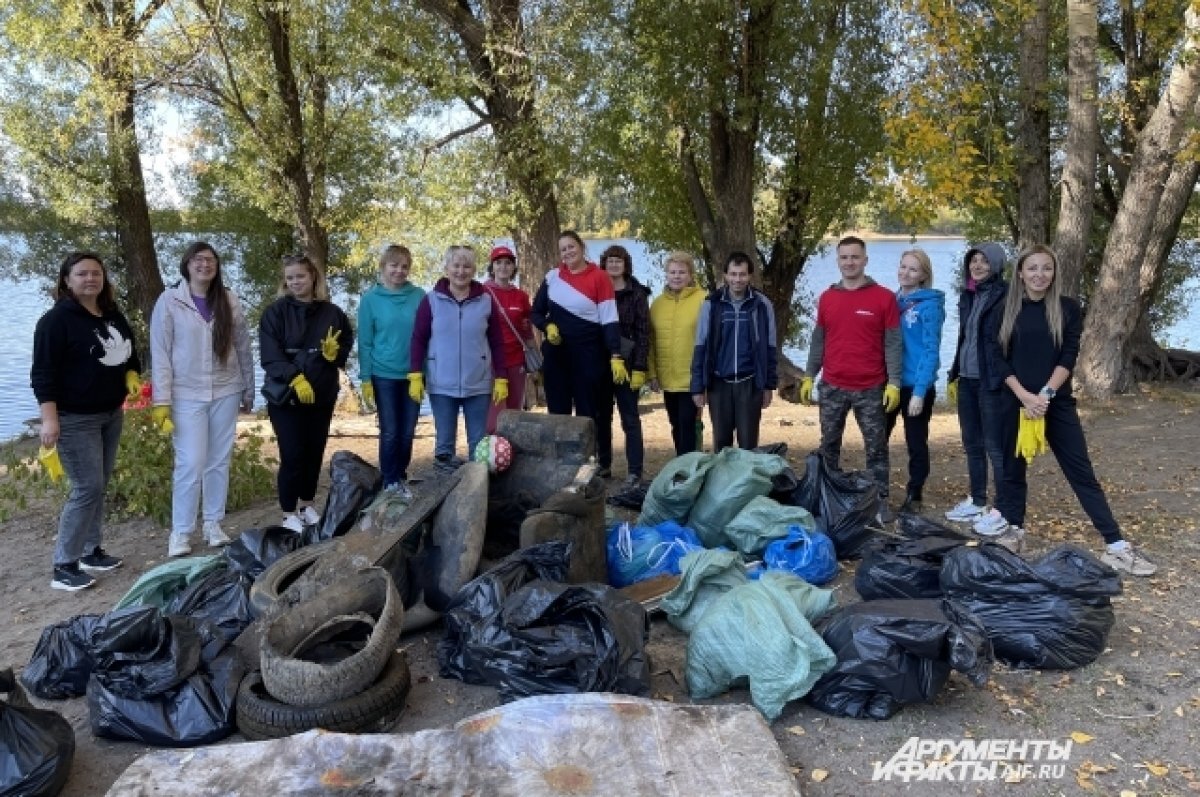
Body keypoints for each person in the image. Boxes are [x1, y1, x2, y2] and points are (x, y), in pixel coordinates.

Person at [986, 245, 1156, 575]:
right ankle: (1015, 534)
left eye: (1046, 268)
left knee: (1081, 473)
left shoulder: (1067, 309)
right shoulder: (1003, 309)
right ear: (1020, 272)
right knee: (1012, 472)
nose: (1039, 275)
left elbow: (1068, 356)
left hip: (1056, 403)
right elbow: (996, 358)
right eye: (1032, 268)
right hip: (1014, 403)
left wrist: (1045, 396)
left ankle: (1116, 545)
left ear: (1054, 273)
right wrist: (1025, 396)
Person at [31, 252, 142, 591]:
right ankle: (64, 565)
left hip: (111, 412)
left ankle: (90, 551)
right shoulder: (56, 321)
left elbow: (131, 355)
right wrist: (49, 420)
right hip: (75, 418)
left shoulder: (111, 314)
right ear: (67, 280)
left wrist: (133, 378)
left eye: (96, 273)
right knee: (86, 487)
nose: (90, 279)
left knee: (99, 484)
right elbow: (43, 374)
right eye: (82, 274)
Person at [151, 241, 255, 557]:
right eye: (197, 260)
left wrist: (248, 388)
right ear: (186, 265)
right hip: (186, 394)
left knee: (218, 461)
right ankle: (181, 532)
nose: (204, 265)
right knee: (190, 462)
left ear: (217, 266)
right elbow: (160, 352)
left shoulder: (229, 300)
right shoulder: (170, 301)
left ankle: (213, 524)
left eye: (209, 260)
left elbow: (243, 347)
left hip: (226, 389)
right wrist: (161, 400)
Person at [800, 236, 901, 517]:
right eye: (844, 257)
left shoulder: (883, 298)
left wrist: (894, 382)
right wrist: (809, 375)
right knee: (828, 446)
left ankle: (879, 503)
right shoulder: (828, 298)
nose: (849, 262)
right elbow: (818, 341)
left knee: (876, 450)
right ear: (838, 261)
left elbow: (893, 343)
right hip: (833, 385)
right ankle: (827, 499)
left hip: (871, 387)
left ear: (865, 260)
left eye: (855, 257)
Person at [259, 254, 354, 532]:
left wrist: (335, 354)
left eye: (300, 276)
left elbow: (345, 342)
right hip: (287, 397)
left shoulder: (332, 312)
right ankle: (288, 511)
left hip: (321, 394)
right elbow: (270, 356)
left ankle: (307, 505)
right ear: (285, 282)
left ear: (313, 277)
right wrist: (294, 377)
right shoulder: (275, 313)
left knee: (314, 452)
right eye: (290, 278)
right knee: (292, 454)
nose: (295, 282)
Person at [531, 231, 626, 465]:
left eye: (571, 246)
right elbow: (535, 312)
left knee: (589, 412)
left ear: (581, 247)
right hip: (557, 356)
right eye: (563, 249)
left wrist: (615, 354)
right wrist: (547, 325)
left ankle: (592, 463)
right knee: (558, 411)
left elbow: (609, 318)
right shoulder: (553, 277)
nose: (568, 252)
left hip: (589, 354)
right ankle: (561, 463)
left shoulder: (600, 277)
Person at [409, 245, 507, 468]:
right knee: (444, 446)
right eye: (456, 265)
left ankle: (476, 492)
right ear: (446, 268)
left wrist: (501, 376)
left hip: (478, 383)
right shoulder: (431, 300)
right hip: (441, 382)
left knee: (478, 445)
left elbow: (497, 342)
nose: (461, 271)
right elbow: (418, 339)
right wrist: (415, 374)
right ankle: (444, 492)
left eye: (467, 266)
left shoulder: (485, 300)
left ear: (474, 270)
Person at [943, 243, 1010, 533]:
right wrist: (954, 372)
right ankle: (978, 499)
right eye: (974, 261)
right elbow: (965, 337)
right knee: (972, 443)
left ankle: (1003, 506)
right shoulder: (968, 295)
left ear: (995, 264)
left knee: (995, 446)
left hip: (991, 380)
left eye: (984, 261)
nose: (978, 266)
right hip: (967, 378)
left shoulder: (1006, 295)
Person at [690, 252, 778, 451]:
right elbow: (700, 347)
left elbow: (770, 348)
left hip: (750, 383)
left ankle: (746, 482)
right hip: (719, 383)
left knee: (748, 443)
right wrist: (697, 387)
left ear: (750, 276)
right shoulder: (711, 304)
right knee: (721, 442)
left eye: (742, 274)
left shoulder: (762, 305)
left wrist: (768, 385)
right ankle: (723, 481)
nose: (737, 279)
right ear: (725, 276)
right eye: (733, 274)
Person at [358, 244, 425, 501]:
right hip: (383, 374)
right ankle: (390, 481)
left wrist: (423, 372)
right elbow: (364, 342)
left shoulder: (419, 296)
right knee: (390, 430)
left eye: (404, 266)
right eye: (394, 265)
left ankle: (400, 474)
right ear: (383, 267)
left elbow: (426, 336)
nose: (399, 271)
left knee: (408, 431)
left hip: (413, 375)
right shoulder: (370, 300)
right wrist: (365, 378)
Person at [883, 248, 945, 513]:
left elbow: (931, 350)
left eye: (913, 269)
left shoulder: (929, 307)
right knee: (878, 437)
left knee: (915, 440)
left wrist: (920, 391)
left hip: (916, 385)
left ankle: (914, 492)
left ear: (923, 276)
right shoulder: (892, 301)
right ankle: (877, 488)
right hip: (891, 383)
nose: (905, 273)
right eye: (903, 266)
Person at [597, 244, 651, 486]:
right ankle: (604, 464)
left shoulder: (636, 293)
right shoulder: (597, 289)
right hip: (601, 362)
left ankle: (635, 471)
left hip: (628, 364)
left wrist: (640, 367)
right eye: (610, 260)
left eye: (619, 260)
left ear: (626, 264)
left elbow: (643, 332)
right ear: (604, 264)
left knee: (629, 418)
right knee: (601, 416)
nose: (614, 265)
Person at [649, 250, 707, 455]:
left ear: (690, 275)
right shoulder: (657, 305)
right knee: (675, 425)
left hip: (691, 379)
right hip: (667, 378)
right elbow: (651, 343)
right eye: (672, 272)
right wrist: (652, 374)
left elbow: (710, 342)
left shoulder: (704, 300)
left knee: (688, 425)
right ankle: (682, 465)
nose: (676, 276)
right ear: (666, 274)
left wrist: (705, 379)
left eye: (681, 272)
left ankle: (689, 467)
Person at [482, 245, 533, 434]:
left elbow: (526, 329)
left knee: (513, 411)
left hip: (516, 360)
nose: (503, 267)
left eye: (508, 263)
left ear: (513, 268)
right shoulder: (482, 292)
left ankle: (511, 453)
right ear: (492, 267)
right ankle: (492, 454)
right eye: (499, 263)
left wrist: (534, 356)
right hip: (491, 361)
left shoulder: (520, 296)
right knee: (494, 414)